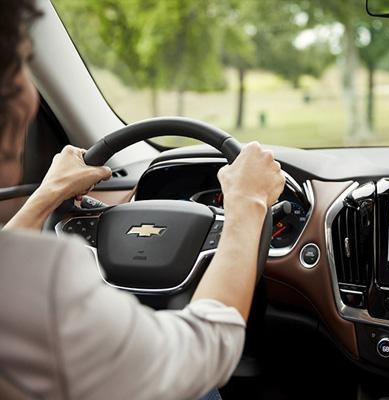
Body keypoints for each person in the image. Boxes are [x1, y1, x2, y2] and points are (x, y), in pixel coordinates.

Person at [0, 1, 285, 399]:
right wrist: (248, 205)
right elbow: (203, 350)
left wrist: (46, 196)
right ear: (14, 103)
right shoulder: (42, 287)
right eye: (23, 68)